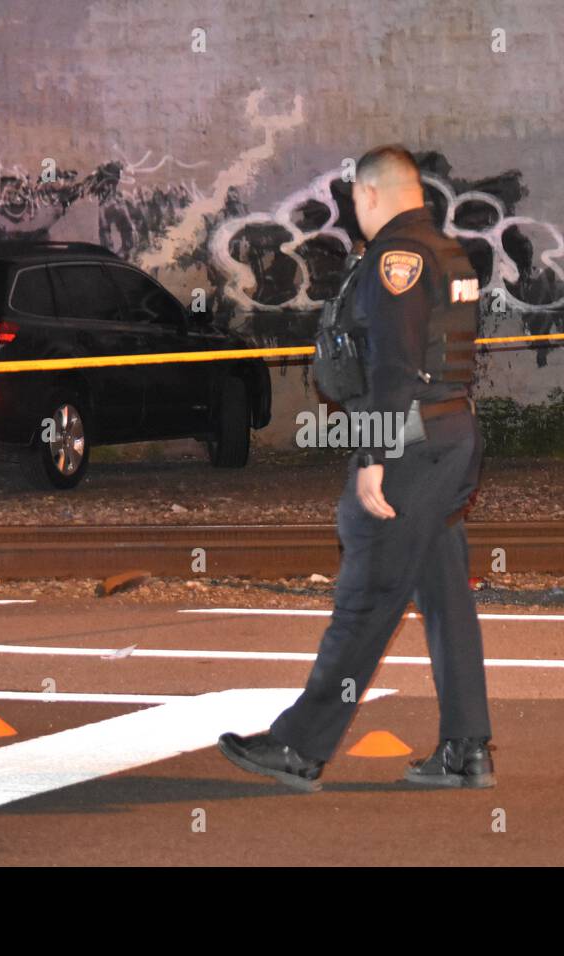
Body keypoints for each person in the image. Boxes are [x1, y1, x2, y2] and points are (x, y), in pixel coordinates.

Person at [218, 145, 494, 792]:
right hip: (449, 432)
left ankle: (298, 746)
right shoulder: (450, 252)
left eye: (355, 203)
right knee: (446, 595)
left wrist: (374, 456)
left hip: (409, 439)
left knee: (367, 595)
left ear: (371, 195)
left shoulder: (397, 259)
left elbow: (396, 364)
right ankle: (466, 748)